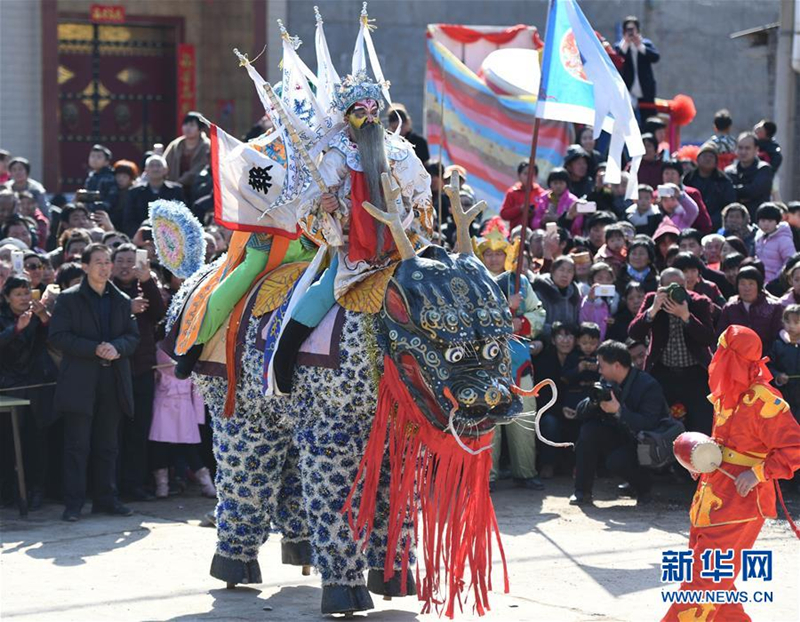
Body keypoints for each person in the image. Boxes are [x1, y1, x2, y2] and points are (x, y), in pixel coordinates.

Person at [660, 325, 800, 622]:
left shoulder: (765, 401)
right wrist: (702, 460)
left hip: (742, 499)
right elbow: (722, 444)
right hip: (713, 492)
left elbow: (794, 448)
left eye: (724, 352)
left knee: (701, 582)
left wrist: (760, 472)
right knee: (714, 577)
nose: (717, 358)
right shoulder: (727, 392)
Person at [48, 243, 140, 521]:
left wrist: (117, 348)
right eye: (98, 262)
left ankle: (106, 499)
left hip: (112, 378)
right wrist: (94, 348)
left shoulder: (122, 299)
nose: (104, 267)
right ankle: (74, 503)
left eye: (107, 262)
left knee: (108, 444)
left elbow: (132, 337)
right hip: (80, 380)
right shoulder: (68, 299)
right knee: (77, 445)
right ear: (85, 267)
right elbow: (58, 337)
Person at [570, 339, 666, 505]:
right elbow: (580, 412)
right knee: (589, 430)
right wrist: (594, 401)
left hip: (645, 443)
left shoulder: (647, 385)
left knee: (617, 461)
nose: (599, 370)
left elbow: (649, 424)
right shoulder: (606, 381)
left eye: (602, 365)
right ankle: (582, 492)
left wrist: (619, 411)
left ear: (616, 366)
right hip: (619, 435)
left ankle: (644, 489)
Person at [628, 268, 716, 434]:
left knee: (701, 425)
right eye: (669, 287)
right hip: (664, 372)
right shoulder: (652, 300)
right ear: (660, 287)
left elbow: (708, 338)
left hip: (695, 374)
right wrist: (653, 311)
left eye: (680, 286)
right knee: (662, 424)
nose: (675, 291)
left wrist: (686, 317)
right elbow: (634, 333)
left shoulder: (699, 302)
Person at [111, 243, 166, 501]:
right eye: (120, 261)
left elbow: (158, 314)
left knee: (138, 430)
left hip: (142, 369)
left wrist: (148, 282)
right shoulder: (106, 289)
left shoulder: (146, 285)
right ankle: (110, 487)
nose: (125, 266)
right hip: (112, 371)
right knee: (113, 433)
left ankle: (134, 485)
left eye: (130, 261)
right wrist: (126, 308)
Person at [0, 274, 57, 510]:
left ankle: (37, 490)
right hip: (8, 385)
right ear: (6, 297)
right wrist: (16, 329)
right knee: (7, 443)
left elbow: (56, 337)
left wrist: (44, 316)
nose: (24, 298)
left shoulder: (36, 315)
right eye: (18, 294)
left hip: (36, 385)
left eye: (27, 293)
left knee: (37, 440)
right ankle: (9, 491)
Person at [717, 266, 783, 353]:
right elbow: (721, 336)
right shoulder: (730, 308)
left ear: (758, 286)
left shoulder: (774, 307)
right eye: (742, 284)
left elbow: (777, 336)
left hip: (766, 357)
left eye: (751, 284)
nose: (747, 288)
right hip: (737, 357)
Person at [123, 155, 183, 237]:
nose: (155, 169)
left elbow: (182, 216)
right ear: (146, 170)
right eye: (151, 165)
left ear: (166, 170)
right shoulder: (134, 192)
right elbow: (128, 220)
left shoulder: (176, 190)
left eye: (158, 165)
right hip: (141, 237)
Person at [613, 16, 660, 120]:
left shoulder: (646, 44)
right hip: (628, 90)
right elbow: (617, 58)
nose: (631, 33)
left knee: (647, 117)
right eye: (628, 30)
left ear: (638, 30)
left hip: (645, 89)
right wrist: (626, 42)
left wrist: (639, 45)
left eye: (632, 29)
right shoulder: (620, 46)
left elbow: (655, 57)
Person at [683, 143, 737, 231]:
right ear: (697, 159)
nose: (708, 159)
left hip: (717, 224)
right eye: (704, 156)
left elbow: (729, 204)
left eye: (711, 156)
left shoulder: (724, 180)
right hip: (692, 222)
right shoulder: (688, 179)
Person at [724, 132, 774, 217]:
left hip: (757, 218)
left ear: (756, 150)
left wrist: (735, 190)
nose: (743, 152)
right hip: (734, 219)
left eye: (747, 148)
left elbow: (753, 191)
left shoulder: (763, 169)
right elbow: (725, 193)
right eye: (740, 148)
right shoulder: (729, 171)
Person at [163, 111, 211, 198]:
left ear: (200, 128)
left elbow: (201, 166)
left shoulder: (206, 145)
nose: (187, 128)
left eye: (192, 125)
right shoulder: (176, 145)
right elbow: (165, 162)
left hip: (197, 189)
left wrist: (181, 181)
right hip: (174, 188)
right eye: (185, 124)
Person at [532, 255, 581, 339]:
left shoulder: (575, 294)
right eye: (561, 270)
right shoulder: (540, 291)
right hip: (545, 341)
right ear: (553, 271)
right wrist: (556, 331)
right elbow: (535, 323)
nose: (565, 275)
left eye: (569, 271)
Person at [661, 160, 712, 234]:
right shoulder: (655, 195)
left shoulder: (691, 193)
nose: (669, 177)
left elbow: (703, 220)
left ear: (680, 176)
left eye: (673, 173)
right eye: (666, 173)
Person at [769, 304, 800, 416]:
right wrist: (777, 376)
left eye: (796, 323)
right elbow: (769, 366)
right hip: (784, 396)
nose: (791, 326)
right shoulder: (778, 344)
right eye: (787, 322)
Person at [531, 167, 582, 235]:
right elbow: (535, 220)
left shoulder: (573, 200)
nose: (558, 186)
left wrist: (558, 219)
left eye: (561, 183)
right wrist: (541, 221)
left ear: (566, 184)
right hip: (545, 234)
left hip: (566, 235)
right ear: (550, 184)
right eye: (555, 183)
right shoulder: (543, 198)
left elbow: (577, 224)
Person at [754, 202, 795, 283]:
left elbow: (790, 260)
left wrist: (778, 279)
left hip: (777, 283)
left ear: (777, 222)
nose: (766, 224)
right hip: (760, 281)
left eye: (770, 221)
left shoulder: (784, 239)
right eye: (763, 220)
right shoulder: (759, 237)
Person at [500, 160, 546, 230]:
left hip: (535, 234)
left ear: (536, 176)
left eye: (532, 174)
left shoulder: (542, 193)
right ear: (519, 175)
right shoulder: (512, 192)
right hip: (515, 233)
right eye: (525, 174)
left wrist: (534, 213)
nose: (529, 177)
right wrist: (520, 209)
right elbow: (504, 214)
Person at [84, 144, 117, 209]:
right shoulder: (91, 176)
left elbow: (111, 199)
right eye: (92, 156)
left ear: (106, 162)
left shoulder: (109, 177)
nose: (94, 159)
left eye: (99, 157)